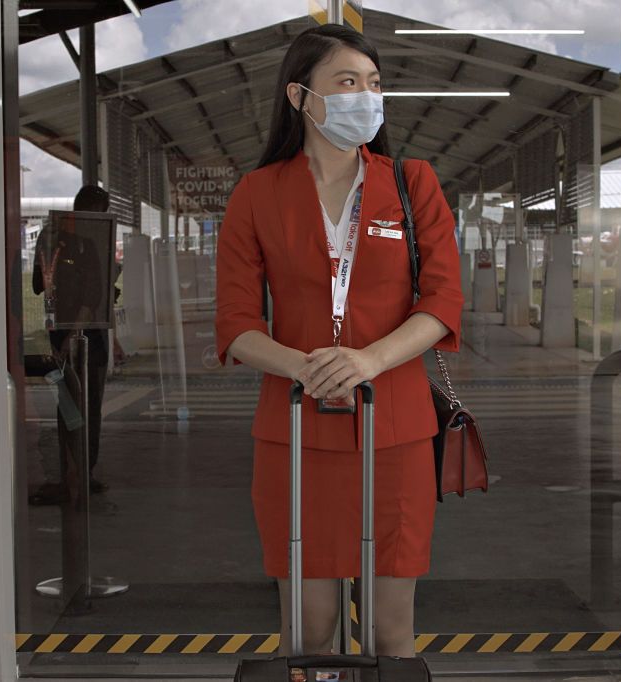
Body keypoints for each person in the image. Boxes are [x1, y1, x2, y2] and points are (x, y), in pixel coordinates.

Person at [215, 24, 463, 657]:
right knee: (309, 626)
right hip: (296, 432)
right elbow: (237, 324)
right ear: (300, 97)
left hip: (397, 430)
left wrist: (367, 360)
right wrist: (309, 368)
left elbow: (442, 302)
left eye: (374, 84)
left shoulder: (411, 183)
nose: (366, 97)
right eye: (347, 82)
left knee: (390, 629)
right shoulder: (257, 194)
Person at [30, 184, 114, 505]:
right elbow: (90, 296)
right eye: (101, 212)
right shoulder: (88, 244)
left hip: (63, 340)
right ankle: (80, 474)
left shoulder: (51, 238)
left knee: (69, 409)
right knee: (83, 408)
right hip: (83, 343)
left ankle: (74, 474)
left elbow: (41, 286)